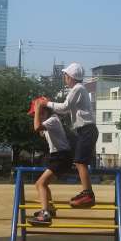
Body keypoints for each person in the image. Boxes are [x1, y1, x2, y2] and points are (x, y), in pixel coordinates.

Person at [43, 62, 98, 209]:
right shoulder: (79, 89)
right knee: (79, 160)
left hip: (86, 129)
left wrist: (47, 103)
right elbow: (67, 109)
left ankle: (88, 194)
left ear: (71, 77)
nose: (64, 77)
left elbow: (64, 107)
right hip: (84, 130)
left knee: (80, 161)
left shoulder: (78, 88)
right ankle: (86, 192)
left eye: (65, 75)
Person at [27, 98, 73, 226]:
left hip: (62, 156)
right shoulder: (50, 121)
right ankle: (50, 209)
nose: (37, 116)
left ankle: (45, 213)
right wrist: (39, 112)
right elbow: (41, 131)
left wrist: (38, 109)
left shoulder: (53, 120)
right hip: (57, 156)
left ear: (46, 111)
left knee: (40, 184)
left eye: (39, 113)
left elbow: (37, 127)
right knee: (43, 184)